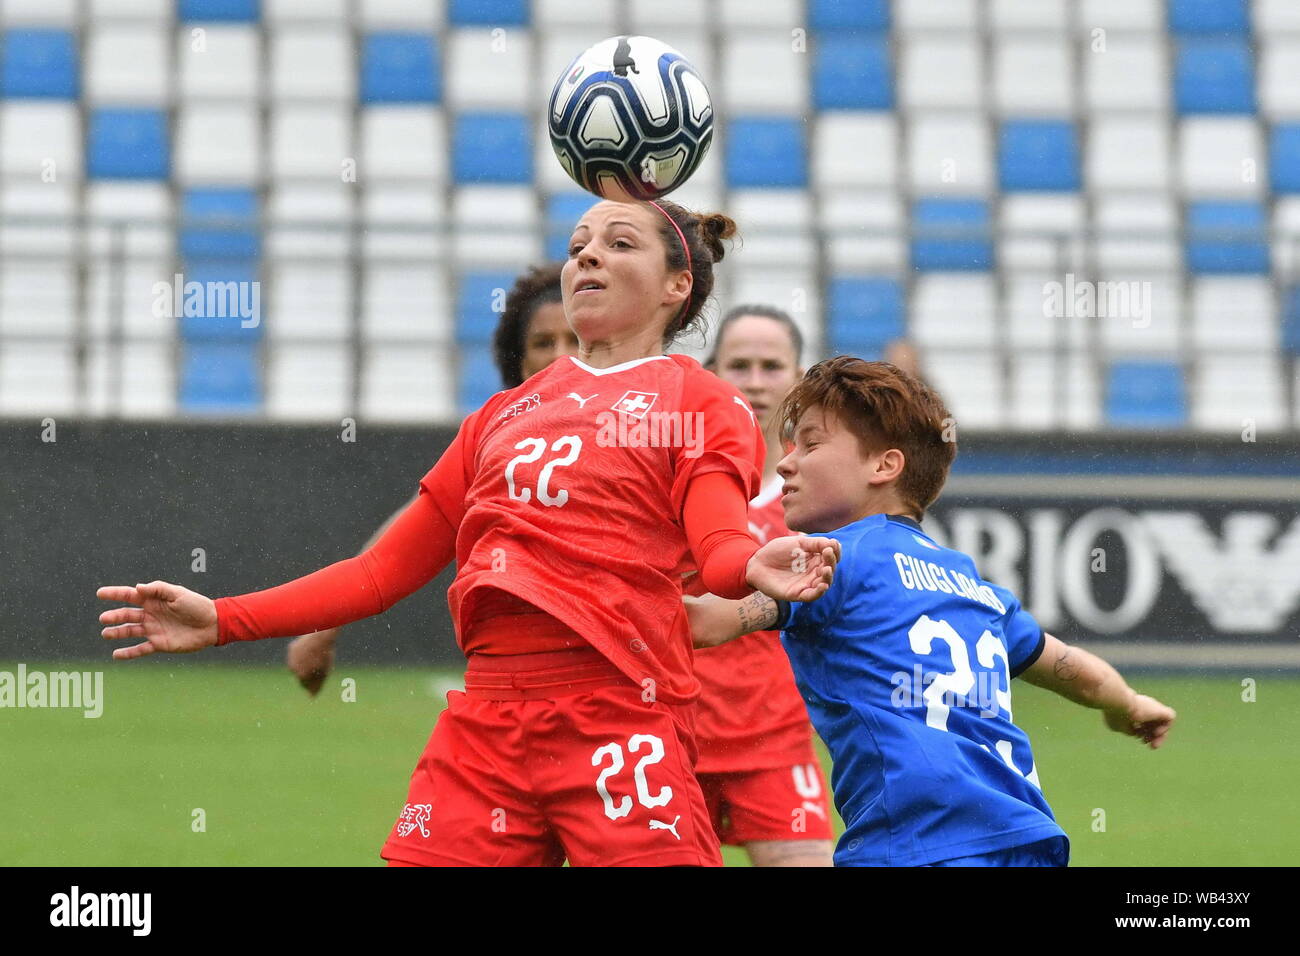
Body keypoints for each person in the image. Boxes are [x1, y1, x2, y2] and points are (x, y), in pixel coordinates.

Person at [97, 197, 842, 867]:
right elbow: (380, 573)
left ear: (678, 286)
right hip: (486, 724)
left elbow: (717, 554)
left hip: (619, 720)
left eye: (619, 243)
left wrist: (755, 564)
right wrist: (224, 618)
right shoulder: (501, 416)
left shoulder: (702, 402)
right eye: (579, 242)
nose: (586, 254)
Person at [685, 357, 1176, 867]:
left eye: (810, 444)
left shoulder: (833, 560)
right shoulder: (971, 585)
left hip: (918, 844)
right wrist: (1129, 704)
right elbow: (1075, 669)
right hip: (1026, 837)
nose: (786, 462)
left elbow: (704, 623)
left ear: (885, 466)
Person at [287, 263, 579, 695]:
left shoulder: (642, 427)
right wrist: (323, 627)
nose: (560, 356)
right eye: (542, 343)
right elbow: (403, 544)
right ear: (517, 362)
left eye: (574, 340)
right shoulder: (498, 444)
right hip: (528, 684)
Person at [691, 305, 834, 867]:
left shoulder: (824, 498)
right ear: (711, 374)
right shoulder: (671, 481)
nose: (754, 381)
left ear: (799, 380)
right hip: (673, 740)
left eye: (771, 366)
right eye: (738, 365)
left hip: (775, 748)